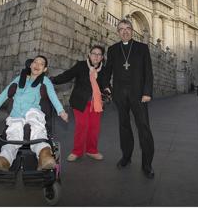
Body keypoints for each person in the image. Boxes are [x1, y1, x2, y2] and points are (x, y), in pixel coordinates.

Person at [0, 56, 69, 171]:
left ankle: (45, 157)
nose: (37, 65)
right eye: (35, 62)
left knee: (37, 130)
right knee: (13, 135)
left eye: (41, 64)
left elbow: (52, 96)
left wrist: (61, 111)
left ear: (44, 69)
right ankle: (4, 161)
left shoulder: (45, 80)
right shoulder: (19, 79)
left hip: (33, 111)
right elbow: (5, 93)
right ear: (31, 65)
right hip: (16, 114)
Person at [103, 19, 155, 179]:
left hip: (139, 95)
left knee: (144, 128)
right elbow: (107, 72)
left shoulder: (142, 48)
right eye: (121, 29)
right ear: (117, 32)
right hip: (120, 96)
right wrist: (107, 87)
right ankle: (126, 157)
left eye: (127, 28)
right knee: (124, 127)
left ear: (132, 31)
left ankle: (147, 164)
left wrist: (147, 92)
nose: (124, 31)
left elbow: (148, 72)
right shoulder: (112, 50)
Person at [51, 45, 107, 162]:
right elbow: (67, 75)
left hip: (96, 103)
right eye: (94, 53)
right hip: (80, 102)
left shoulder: (104, 70)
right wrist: (52, 80)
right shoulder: (81, 65)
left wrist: (107, 89)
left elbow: (105, 84)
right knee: (82, 126)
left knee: (94, 128)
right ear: (89, 55)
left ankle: (92, 151)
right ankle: (77, 151)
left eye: (99, 54)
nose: (96, 56)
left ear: (102, 57)